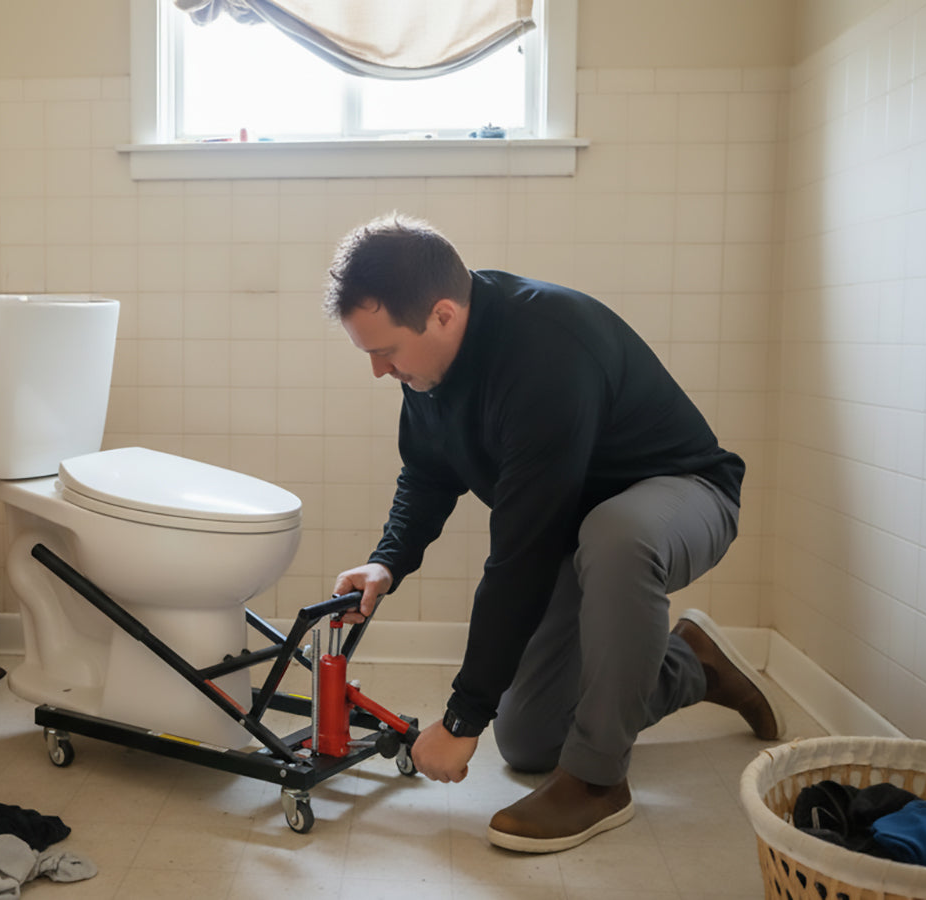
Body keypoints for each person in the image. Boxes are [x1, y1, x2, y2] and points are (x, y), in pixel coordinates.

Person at [323, 213, 784, 854]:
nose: (379, 371)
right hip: (576, 528)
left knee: (616, 536)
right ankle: (691, 666)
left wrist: (461, 716)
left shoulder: (544, 349)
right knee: (531, 742)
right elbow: (428, 471)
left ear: (444, 315)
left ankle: (599, 786)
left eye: (385, 351)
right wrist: (387, 562)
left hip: (684, 495)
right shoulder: (427, 368)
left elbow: (521, 553)